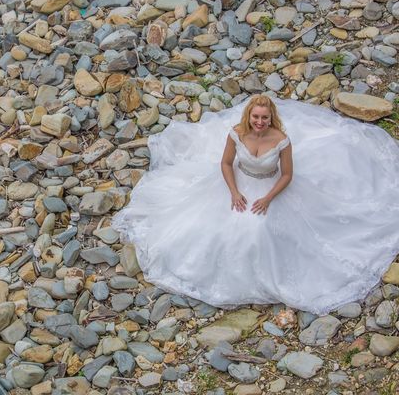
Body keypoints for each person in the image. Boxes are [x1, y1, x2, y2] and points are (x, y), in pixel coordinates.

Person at [111, 94, 399, 315]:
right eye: (256, 117)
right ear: (249, 116)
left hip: (270, 187)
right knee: (208, 227)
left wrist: (269, 197)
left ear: (271, 118)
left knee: (261, 230)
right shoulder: (236, 133)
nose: (260, 122)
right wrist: (234, 191)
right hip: (238, 183)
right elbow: (225, 163)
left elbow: (287, 175)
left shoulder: (282, 140)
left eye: (264, 118)